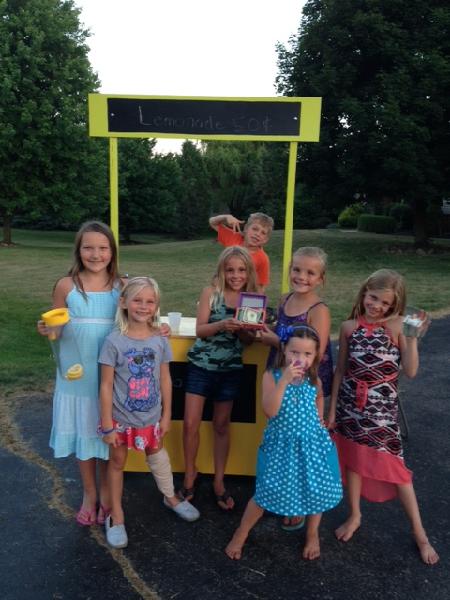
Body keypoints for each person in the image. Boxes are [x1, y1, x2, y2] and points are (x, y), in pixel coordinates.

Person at [328, 269, 439, 565]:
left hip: (381, 413)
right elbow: (340, 370)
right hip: (350, 407)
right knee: (352, 461)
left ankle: (420, 533)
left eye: (385, 303)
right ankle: (354, 516)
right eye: (373, 298)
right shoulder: (349, 326)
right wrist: (332, 409)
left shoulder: (398, 326)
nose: (377, 306)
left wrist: (413, 338)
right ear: (364, 292)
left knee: (397, 471)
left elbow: (412, 372)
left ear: (395, 305)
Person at [225, 325, 342, 561]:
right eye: (294, 352)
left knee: (315, 490)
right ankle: (241, 532)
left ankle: (312, 533)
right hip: (281, 448)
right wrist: (284, 382)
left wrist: (320, 419)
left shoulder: (314, 379)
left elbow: (319, 396)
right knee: (265, 492)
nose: (300, 359)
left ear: (315, 355)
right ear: (284, 350)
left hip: (311, 445)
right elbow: (270, 411)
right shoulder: (272, 375)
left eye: (307, 354)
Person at [99, 277, 199, 549]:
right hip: (120, 421)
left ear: (157, 306)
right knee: (117, 463)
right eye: (137, 300)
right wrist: (107, 425)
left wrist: (166, 415)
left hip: (152, 418)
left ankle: (170, 497)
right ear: (123, 302)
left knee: (157, 456)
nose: (144, 306)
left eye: (150, 301)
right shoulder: (113, 341)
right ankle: (116, 516)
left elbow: (165, 378)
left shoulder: (159, 339)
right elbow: (106, 385)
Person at [37, 221, 122, 527]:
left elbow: (137, 322)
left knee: (105, 435)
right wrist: (48, 329)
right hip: (76, 376)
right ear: (78, 250)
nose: (95, 254)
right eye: (88, 247)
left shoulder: (121, 287)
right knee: (84, 434)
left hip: (110, 379)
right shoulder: (66, 286)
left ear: (112, 252)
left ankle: (106, 493)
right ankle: (89, 494)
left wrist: (159, 327)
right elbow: (57, 329)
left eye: (102, 248)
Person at [178, 246, 257, 511]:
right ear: (222, 270)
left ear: (249, 272)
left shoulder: (253, 299)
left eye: (242, 270)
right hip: (201, 366)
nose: (236, 275)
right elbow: (200, 330)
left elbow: (248, 342)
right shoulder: (211, 293)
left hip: (231, 370)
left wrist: (245, 330)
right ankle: (191, 474)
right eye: (230, 269)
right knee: (190, 424)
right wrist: (223, 324)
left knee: (221, 425)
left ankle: (219, 481)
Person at [260, 246, 333, 531]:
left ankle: (301, 501)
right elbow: (281, 331)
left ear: (320, 279)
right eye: (297, 269)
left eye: (310, 272)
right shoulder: (285, 299)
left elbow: (317, 351)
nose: (301, 276)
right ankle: (279, 493)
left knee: (302, 447)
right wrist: (262, 328)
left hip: (303, 382)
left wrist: (273, 341)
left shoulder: (319, 310)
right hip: (278, 373)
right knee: (278, 434)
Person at [209, 212, 273, 293]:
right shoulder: (233, 237)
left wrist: (256, 303)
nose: (257, 234)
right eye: (255, 229)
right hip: (220, 292)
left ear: (265, 240)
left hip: (240, 299)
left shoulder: (263, 259)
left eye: (263, 233)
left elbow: (260, 287)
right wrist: (226, 217)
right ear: (246, 229)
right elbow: (212, 222)